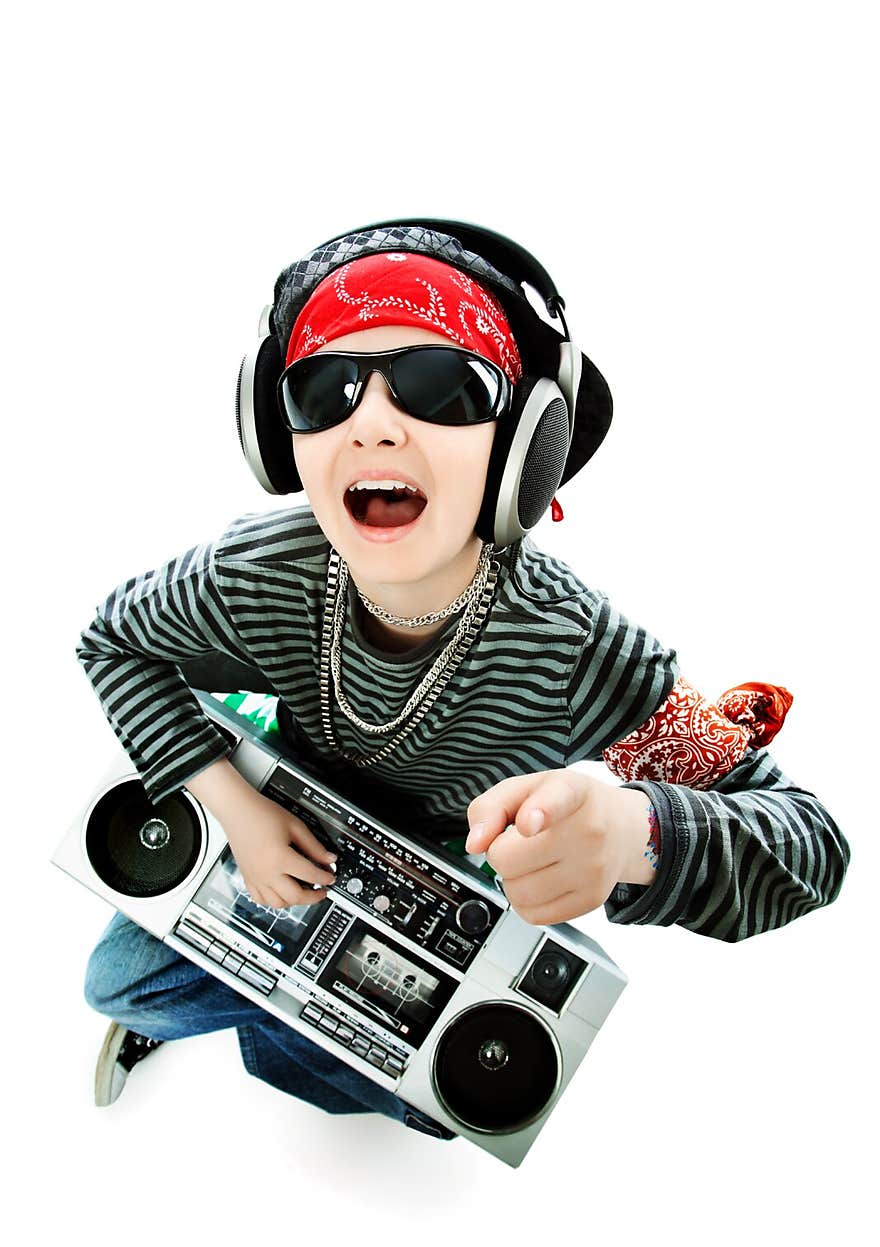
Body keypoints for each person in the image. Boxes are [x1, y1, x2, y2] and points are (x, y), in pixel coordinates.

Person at [76, 233, 850, 1132]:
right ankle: (298, 1026)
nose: (369, 423)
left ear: (524, 445)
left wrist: (634, 835)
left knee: (444, 1104)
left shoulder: (581, 650)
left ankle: (310, 1047)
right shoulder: (255, 573)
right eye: (324, 390)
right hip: (281, 817)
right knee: (117, 986)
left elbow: (809, 844)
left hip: (450, 878)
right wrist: (229, 802)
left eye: (444, 386)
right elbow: (112, 642)